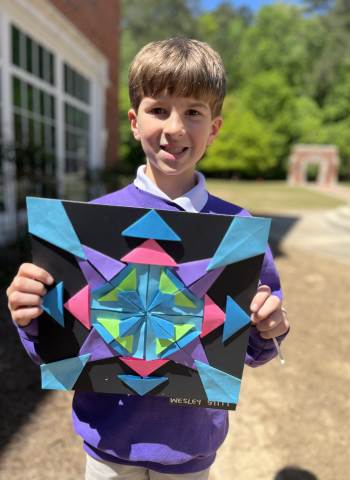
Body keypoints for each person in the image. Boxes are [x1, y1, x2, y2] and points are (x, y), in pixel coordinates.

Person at [6, 38, 290, 480]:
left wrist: (270, 326)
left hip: (190, 451)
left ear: (213, 128)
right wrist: (30, 314)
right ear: (135, 123)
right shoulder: (90, 224)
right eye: (159, 109)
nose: (175, 128)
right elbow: (55, 349)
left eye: (193, 112)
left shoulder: (237, 231)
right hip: (107, 444)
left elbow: (254, 345)